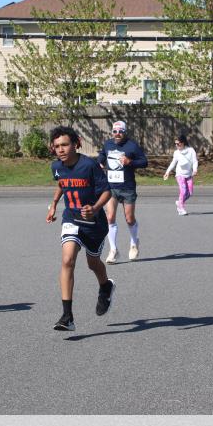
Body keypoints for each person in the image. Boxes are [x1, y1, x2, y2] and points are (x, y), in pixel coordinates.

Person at [46, 126, 115, 332]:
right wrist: (54, 204)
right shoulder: (56, 167)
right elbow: (62, 183)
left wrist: (95, 208)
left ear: (76, 144)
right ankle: (67, 317)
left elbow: (107, 191)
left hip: (94, 223)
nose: (61, 149)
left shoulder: (89, 165)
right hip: (71, 218)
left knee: (93, 263)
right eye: (57, 146)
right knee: (67, 260)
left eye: (65, 145)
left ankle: (105, 286)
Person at [98, 120, 148, 263]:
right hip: (111, 187)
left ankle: (134, 243)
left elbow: (144, 162)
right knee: (110, 217)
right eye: (115, 131)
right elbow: (102, 154)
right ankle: (113, 250)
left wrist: (130, 162)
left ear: (125, 132)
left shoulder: (132, 145)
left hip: (127, 187)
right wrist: (100, 161)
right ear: (112, 132)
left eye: (120, 131)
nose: (117, 134)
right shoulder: (108, 144)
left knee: (129, 218)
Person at [163, 133, 199, 216]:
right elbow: (173, 163)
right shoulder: (176, 153)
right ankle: (181, 209)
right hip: (180, 174)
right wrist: (167, 172)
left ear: (183, 142)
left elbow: (195, 161)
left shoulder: (191, 150)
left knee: (189, 193)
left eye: (178, 143)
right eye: (175, 144)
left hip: (189, 175)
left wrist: (195, 169)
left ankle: (179, 202)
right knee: (183, 191)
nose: (176, 145)